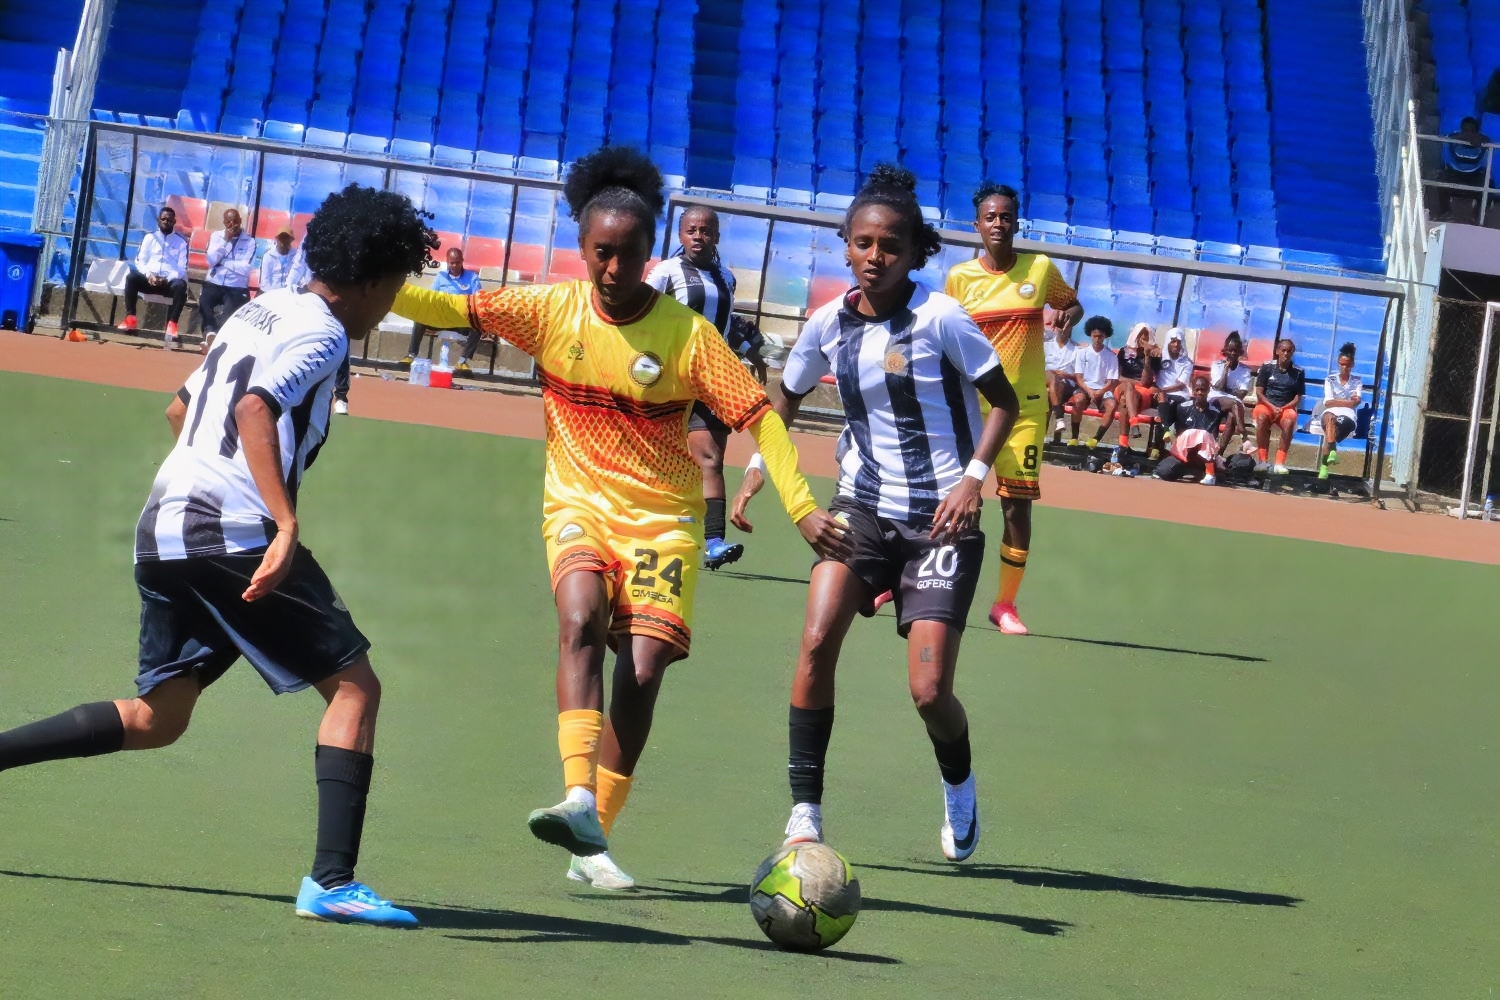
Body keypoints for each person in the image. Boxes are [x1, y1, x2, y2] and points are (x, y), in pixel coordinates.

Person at [389, 146, 844, 892]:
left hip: (663, 520)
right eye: (600, 253)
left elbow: (762, 417)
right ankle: (575, 794)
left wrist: (798, 504)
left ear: (648, 254)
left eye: (627, 255)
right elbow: (449, 305)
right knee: (578, 618)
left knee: (642, 670)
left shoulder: (690, 338)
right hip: (578, 505)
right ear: (583, 247)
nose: (611, 268)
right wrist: (360, 281)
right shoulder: (547, 309)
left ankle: (591, 836)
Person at [0, 184, 437, 928]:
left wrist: (209, 483)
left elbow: (182, 409)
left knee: (158, 716)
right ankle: (333, 882)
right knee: (356, 687)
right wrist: (285, 520)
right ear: (369, 279)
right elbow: (253, 407)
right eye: (394, 286)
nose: (390, 303)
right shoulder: (324, 332)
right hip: (231, 535)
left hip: (163, 528)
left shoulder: (256, 311)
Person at [730, 164, 1019, 861]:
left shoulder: (943, 317)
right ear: (846, 245)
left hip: (941, 524)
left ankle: (958, 783)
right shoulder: (827, 323)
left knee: (928, 692)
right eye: (862, 243)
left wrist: (973, 480)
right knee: (816, 638)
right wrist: (756, 474)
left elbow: (1005, 402)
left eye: (890, 245)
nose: (874, 257)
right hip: (859, 509)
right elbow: (783, 403)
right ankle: (805, 812)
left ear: (914, 250)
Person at [942, 181, 1081, 636]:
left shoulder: (1040, 268)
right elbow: (947, 338)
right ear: (976, 224)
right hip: (972, 407)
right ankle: (917, 580)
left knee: (1017, 507)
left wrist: (1066, 315)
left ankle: (1004, 604)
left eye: (1006, 217)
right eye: (990, 217)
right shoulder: (960, 278)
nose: (998, 224)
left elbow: (1072, 304)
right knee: (955, 501)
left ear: (1015, 223)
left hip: (1024, 409)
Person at [646, 205, 766, 570]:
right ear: (681, 235)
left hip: (712, 380)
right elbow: (643, 313)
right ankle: (650, 530)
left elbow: (723, 329)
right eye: (691, 230)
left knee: (711, 459)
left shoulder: (726, 277)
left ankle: (714, 541)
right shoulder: (665, 272)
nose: (699, 236)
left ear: (716, 236)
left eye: (706, 230)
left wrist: (748, 351)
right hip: (670, 378)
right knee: (657, 457)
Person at [401, 247, 484, 375]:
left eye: (457, 262)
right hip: (441, 318)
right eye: (452, 262)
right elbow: (432, 298)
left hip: (460, 321)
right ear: (447, 262)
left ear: (462, 261)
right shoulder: (441, 277)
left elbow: (478, 299)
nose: (454, 265)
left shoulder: (472, 277)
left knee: (478, 325)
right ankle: (411, 355)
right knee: (419, 318)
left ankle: (462, 361)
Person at [118, 206, 189, 344]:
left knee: (181, 285)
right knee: (132, 277)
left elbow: (182, 268)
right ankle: (130, 318)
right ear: (158, 221)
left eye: (169, 219)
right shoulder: (150, 238)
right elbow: (140, 261)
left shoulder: (181, 242)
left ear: (174, 221)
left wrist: (166, 279)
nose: (166, 222)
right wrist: (149, 275)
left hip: (168, 284)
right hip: (149, 280)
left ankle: (172, 324)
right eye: (163, 219)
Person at [199, 207, 257, 353]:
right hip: (215, 281)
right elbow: (211, 260)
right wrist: (226, 241)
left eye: (235, 221)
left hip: (236, 286)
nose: (233, 225)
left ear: (240, 221)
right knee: (204, 301)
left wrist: (223, 262)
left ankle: (212, 341)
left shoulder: (250, 242)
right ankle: (211, 332)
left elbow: (245, 268)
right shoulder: (217, 237)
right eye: (229, 222)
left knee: (227, 317)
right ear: (224, 223)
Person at [1153, 373, 1226, 484]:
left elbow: (1213, 436)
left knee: (1203, 435)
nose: (1200, 393)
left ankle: (1209, 473)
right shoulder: (1181, 407)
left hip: (1203, 456)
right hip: (1183, 452)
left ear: (1208, 390)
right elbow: (1166, 420)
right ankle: (1187, 470)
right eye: (1197, 390)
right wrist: (1163, 403)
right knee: (1163, 472)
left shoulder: (1215, 412)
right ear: (1192, 390)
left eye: (1203, 390)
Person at [1253, 338, 1305, 475]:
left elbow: (1298, 396)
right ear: (1277, 351)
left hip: (1286, 407)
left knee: (1289, 420)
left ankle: (1279, 463)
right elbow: (1259, 391)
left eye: (1289, 351)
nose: (1286, 353)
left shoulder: (1298, 371)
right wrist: (1271, 406)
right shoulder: (1267, 367)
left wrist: (1284, 408)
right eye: (1283, 350)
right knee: (1262, 417)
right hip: (1266, 404)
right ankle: (1262, 461)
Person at [1068, 316, 1120, 449]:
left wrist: (1100, 392)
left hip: (1103, 390)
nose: (1097, 339)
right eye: (1095, 335)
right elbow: (1079, 377)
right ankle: (1074, 437)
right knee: (1078, 400)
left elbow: (1112, 381)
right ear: (1090, 334)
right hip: (1085, 388)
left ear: (1105, 336)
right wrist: (1090, 391)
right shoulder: (1082, 353)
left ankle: (1096, 439)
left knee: (1112, 405)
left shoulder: (1111, 356)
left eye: (1100, 336)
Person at [1317, 342, 1362, 480]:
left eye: (1347, 365)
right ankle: (1333, 452)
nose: (1344, 367)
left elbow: (1357, 400)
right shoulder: (1330, 379)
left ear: (1352, 365)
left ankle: (1324, 468)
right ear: (1338, 363)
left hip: (1347, 415)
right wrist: (1349, 402)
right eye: (1342, 364)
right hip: (1331, 411)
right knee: (1330, 418)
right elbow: (1328, 402)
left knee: (1330, 430)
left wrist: (1352, 402)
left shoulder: (1357, 381)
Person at [1116, 322, 1161, 455]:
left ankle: (1123, 445)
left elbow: (1146, 381)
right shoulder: (1124, 351)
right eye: (1140, 334)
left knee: (1125, 401)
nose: (1143, 338)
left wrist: (1147, 357)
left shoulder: (1154, 355)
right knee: (1128, 388)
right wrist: (1136, 382)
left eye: (1146, 335)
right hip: (1123, 386)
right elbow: (1118, 377)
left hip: (1141, 392)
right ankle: (1134, 423)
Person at [1208, 331, 1252, 455]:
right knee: (1232, 405)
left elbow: (1241, 394)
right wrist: (1225, 371)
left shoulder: (1244, 370)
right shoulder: (1217, 365)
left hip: (1233, 402)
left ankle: (1219, 453)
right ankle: (1244, 435)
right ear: (1226, 350)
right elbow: (1218, 389)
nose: (1233, 353)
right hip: (1215, 399)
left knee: (1233, 415)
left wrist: (1225, 390)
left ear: (1240, 352)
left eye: (1236, 350)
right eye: (1230, 350)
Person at [1150, 327, 1193, 453]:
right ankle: (1163, 437)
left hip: (1178, 394)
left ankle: (1158, 446)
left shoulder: (1187, 362)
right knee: (1162, 406)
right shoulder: (1159, 357)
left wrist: (1162, 390)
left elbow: (1180, 384)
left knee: (1167, 408)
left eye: (1179, 342)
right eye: (1173, 341)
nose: (1176, 345)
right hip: (1159, 394)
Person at [1044, 315, 1081, 445]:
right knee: (1051, 379)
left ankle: (1052, 433)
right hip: (1045, 380)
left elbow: (1079, 376)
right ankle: (1059, 420)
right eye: (1060, 327)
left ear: (1071, 329)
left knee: (1052, 391)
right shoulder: (1046, 345)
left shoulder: (1076, 350)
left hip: (1067, 385)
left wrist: (1066, 375)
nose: (1063, 330)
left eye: (1066, 327)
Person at [259, 226, 309, 292]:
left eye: (286, 238)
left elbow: (299, 276)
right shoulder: (268, 256)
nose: (283, 241)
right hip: (271, 293)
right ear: (277, 239)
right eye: (281, 238)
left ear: (291, 240)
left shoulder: (295, 255)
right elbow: (264, 281)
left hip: (289, 293)